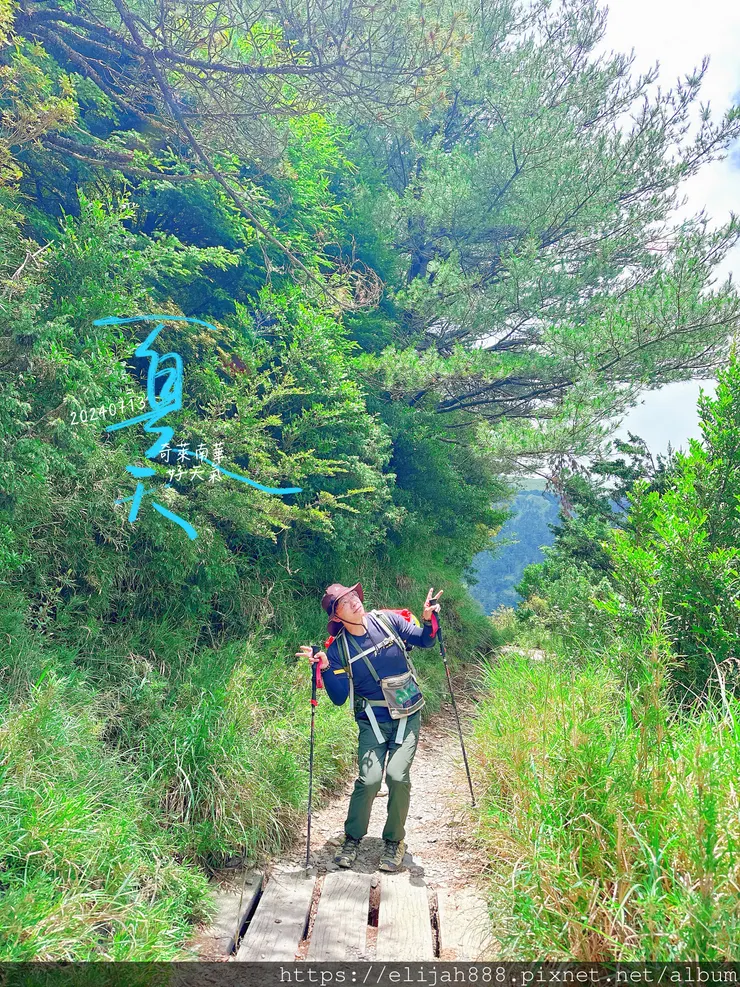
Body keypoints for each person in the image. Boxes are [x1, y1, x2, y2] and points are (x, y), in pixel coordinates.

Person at [296, 583, 442, 873]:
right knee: (370, 779)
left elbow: (426, 641)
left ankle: (394, 841)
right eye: (344, 602)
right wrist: (324, 667)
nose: (353, 603)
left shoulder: (388, 622)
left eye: (353, 596)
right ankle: (352, 838)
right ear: (336, 616)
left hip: (407, 713)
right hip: (372, 719)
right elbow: (339, 698)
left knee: (397, 775)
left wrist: (427, 618)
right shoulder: (337, 650)